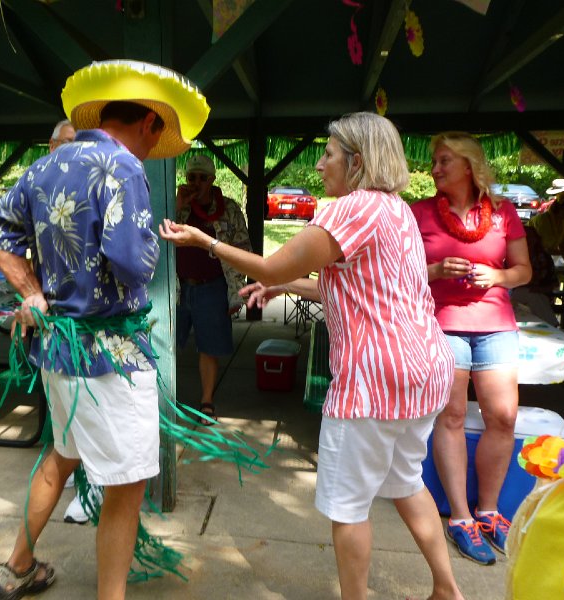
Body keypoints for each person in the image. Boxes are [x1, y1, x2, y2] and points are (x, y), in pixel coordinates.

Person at [160, 112, 463, 600]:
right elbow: (344, 283)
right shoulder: (397, 210)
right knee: (406, 481)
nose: (320, 165)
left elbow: (268, 261)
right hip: (425, 369)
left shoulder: (350, 209)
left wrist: (206, 241)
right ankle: (448, 590)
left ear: (356, 161)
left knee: (347, 507)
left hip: (373, 377)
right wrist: (276, 283)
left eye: (328, 154)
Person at [0, 59, 208, 600]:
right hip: (111, 356)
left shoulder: (44, 166)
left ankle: (17, 567)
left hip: (60, 350)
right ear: (149, 120)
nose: (154, 148)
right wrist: (155, 243)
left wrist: (32, 291)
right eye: (159, 134)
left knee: (61, 457)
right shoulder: (123, 166)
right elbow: (132, 263)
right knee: (126, 488)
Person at [410, 131, 531, 566]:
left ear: (468, 166)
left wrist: (497, 278)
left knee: (503, 416)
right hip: (442, 323)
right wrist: (437, 268)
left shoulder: (503, 213)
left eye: (443, 160)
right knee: (453, 415)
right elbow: (401, 274)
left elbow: (523, 271)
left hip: (496, 324)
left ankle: (489, 510)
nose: (434, 168)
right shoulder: (419, 212)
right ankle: (460, 516)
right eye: (434, 160)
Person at [174, 154, 251, 424]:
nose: (196, 183)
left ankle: (206, 402)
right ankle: (162, 399)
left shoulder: (228, 209)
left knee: (209, 347)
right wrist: (176, 205)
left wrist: (236, 289)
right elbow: (154, 235)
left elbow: (243, 249)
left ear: (212, 179)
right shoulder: (179, 207)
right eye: (191, 177)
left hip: (212, 287)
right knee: (167, 343)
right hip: (179, 287)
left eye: (202, 178)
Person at [528, 186, 564, 265]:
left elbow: (562, 244)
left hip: (542, 257)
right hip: (531, 256)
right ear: (560, 208)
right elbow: (543, 248)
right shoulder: (543, 220)